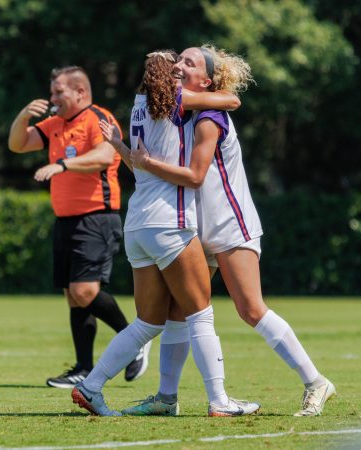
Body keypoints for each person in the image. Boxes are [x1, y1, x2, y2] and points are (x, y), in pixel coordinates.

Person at [120, 45, 336, 417]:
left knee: (250, 308)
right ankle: (165, 397)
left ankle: (316, 382)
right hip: (192, 226)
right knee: (177, 311)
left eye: (189, 62)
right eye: (178, 60)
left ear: (205, 80)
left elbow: (197, 174)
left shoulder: (208, 116)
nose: (179, 65)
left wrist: (147, 161)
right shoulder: (179, 110)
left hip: (228, 223)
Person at [70, 50, 260, 417]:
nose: (180, 70)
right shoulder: (177, 100)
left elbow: (137, 162)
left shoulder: (140, 104)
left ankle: (91, 387)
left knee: (148, 322)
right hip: (169, 222)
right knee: (200, 314)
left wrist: (119, 146)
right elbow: (232, 100)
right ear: (169, 78)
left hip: (137, 225)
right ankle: (219, 401)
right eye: (177, 65)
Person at [7, 65, 150, 389]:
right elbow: (18, 144)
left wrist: (61, 164)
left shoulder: (98, 118)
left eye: (59, 91)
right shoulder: (55, 124)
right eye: (52, 91)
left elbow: (103, 155)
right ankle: (83, 367)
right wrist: (23, 116)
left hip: (96, 218)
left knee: (85, 291)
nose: (53, 97)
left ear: (80, 92)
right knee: (74, 296)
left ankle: (135, 341)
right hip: (66, 220)